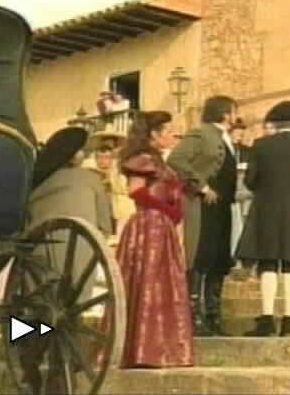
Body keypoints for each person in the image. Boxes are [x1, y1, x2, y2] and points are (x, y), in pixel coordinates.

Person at [236, 101, 290, 337]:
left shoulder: (261, 145)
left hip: (267, 208)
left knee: (268, 263)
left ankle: (266, 319)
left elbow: (250, 180)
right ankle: (289, 321)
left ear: (277, 122)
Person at [115, 110, 193, 368]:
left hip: (164, 228)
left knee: (163, 285)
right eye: (168, 131)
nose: (173, 135)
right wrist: (165, 210)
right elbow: (135, 191)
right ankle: (141, 349)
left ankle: (161, 348)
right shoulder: (142, 160)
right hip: (148, 226)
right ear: (153, 135)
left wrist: (174, 212)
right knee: (147, 282)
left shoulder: (161, 162)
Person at [167, 95, 239, 337]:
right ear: (225, 113)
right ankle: (194, 316)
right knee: (201, 255)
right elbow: (176, 159)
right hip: (202, 205)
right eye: (233, 111)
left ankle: (213, 315)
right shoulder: (201, 133)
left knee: (219, 258)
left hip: (223, 206)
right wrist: (201, 186)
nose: (235, 116)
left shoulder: (226, 138)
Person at [29, 148, 114, 302]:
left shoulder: (37, 181)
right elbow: (105, 225)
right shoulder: (91, 179)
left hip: (40, 252)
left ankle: (35, 324)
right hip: (81, 251)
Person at [230, 119, 253, 257]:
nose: (239, 136)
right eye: (237, 133)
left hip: (244, 185)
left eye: (241, 133)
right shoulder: (225, 149)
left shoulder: (247, 150)